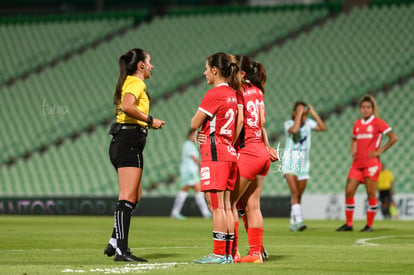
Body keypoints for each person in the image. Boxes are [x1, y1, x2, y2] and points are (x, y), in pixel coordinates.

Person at [104, 48, 165, 262]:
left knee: (134, 196)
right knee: (127, 198)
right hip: (129, 141)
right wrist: (150, 120)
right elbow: (127, 106)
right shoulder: (136, 83)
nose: (152, 66)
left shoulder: (128, 82)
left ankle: (114, 241)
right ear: (141, 65)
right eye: (149, 62)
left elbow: (119, 110)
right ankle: (121, 250)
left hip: (124, 141)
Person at [191, 52, 241, 264]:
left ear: (214, 70)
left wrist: (200, 131)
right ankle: (228, 253)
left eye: (206, 68)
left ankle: (219, 253)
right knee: (227, 206)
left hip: (215, 153)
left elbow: (194, 123)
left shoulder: (214, 94)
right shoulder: (232, 93)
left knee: (216, 206)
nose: (204, 72)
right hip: (229, 152)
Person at [230, 55, 278, 263]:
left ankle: (231, 252)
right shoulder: (257, 91)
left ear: (240, 72)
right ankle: (257, 252)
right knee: (251, 205)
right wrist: (267, 147)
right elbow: (262, 122)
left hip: (247, 151)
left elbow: (240, 121)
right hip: (261, 151)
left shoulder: (238, 91)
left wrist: (228, 144)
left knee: (228, 204)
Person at [336, 94, 398, 232]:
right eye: (363, 107)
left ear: (372, 108)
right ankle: (349, 224)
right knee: (349, 191)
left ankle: (369, 225)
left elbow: (393, 138)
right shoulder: (357, 124)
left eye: (368, 107)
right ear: (360, 109)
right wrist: (353, 151)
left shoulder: (378, 122)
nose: (365, 109)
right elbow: (353, 139)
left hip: (371, 164)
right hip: (357, 164)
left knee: (370, 193)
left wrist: (379, 151)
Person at [282, 101, 326, 231]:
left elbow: (323, 128)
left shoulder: (309, 124)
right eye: (301, 114)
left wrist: (313, 112)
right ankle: (300, 221)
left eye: (305, 114)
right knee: (294, 192)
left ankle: (293, 221)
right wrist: (299, 114)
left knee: (299, 194)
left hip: (303, 164)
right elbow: (295, 130)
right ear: (294, 113)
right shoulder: (288, 124)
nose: (304, 117)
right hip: (290, 163)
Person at [170, 129, 211, 220]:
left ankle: (206, 213)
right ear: (189, 136)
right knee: (186, 190)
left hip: (191, 171)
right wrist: (203, 164)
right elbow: (193, 158)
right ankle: (175, 213)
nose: (194, 137)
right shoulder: (188, 144)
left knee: (197, 192)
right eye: (193, 135)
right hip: (189, 171)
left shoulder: (190, 145)